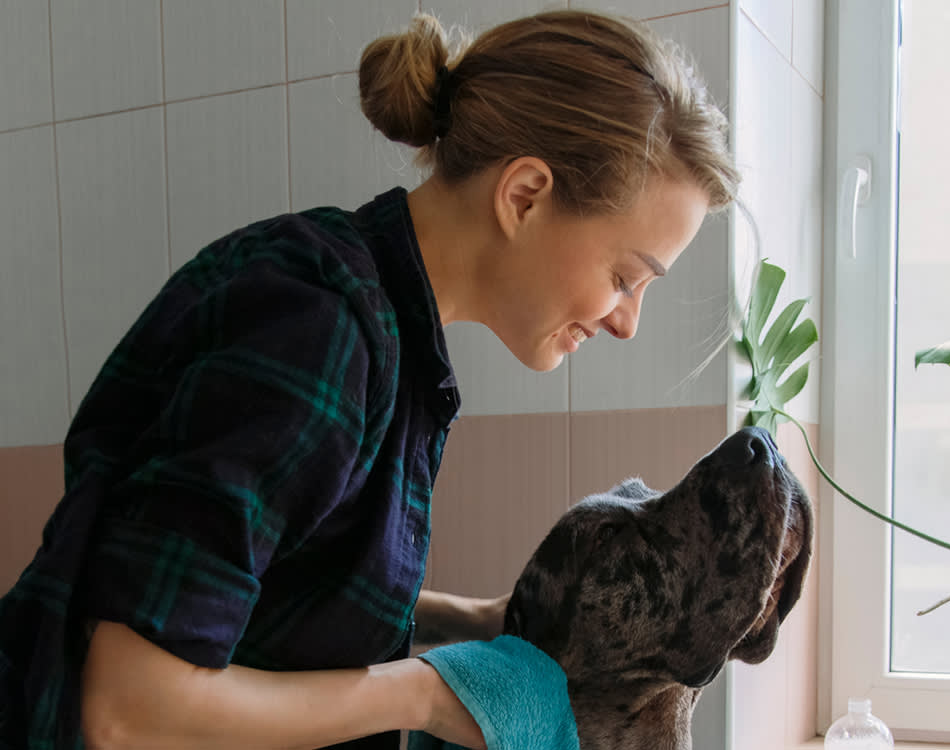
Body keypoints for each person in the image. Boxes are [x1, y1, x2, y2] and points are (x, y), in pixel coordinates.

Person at [0, 9, 739, 750]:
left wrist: (476, 621)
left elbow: (280, 587)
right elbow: (127, 706)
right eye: (625, 276)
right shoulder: (317, 331)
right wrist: (423, 694)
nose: (625, 321)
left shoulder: (388, 342)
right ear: (523, 195)